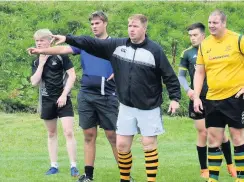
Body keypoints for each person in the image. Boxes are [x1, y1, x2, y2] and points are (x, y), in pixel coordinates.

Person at [29, 14, 181, 182]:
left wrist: (174, 97)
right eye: (129, 25)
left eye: (135, 26)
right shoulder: (107, 45)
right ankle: (104, 177)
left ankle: (139, 178)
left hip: (131, 101)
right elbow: (77, 45)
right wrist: (52, 45)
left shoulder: (137, 48)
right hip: (108, 101)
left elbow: (167, 74)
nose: (131, 29)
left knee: (131, 141)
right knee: (106, 140)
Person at [30, 11, 126, 182]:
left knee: (113, 136)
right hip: (86, 96)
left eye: (97, 23)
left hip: (107, 96)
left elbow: (129, 62)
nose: (94, 26)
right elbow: (62, 49)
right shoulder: (86, 44)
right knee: (88, 135)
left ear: (105, 23)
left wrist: (121, 73)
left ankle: (125, 176)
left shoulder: (115, 44)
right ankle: (88, 176)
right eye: (92, 24)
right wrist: (40, 50)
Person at [193, 10, 244, 182]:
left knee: (237, 137)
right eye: (209, 22)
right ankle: (213, 178)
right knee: (213, 139)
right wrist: (197, 96)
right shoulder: (205, 44)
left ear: (224, 23)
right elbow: (199, 72)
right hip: (212, 99)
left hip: (235, 98)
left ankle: (240, 179)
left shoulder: (238, 39)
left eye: (215, 23)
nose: (211, 25)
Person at [178, 22, 236, 179]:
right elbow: (181, 76)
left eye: (195, 35)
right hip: (198, 98)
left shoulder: (214, 49)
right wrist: (188, 90)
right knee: (203, 132)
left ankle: (230, 164)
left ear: (203, 35)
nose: (192, 38)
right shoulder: (187, 53)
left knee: (220, 134)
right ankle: (204, 168)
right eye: (190, 35)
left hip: (217, 97)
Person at [30, 29, 79, 177]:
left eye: (42, 40)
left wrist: (64, 95)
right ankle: (54, 166)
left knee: (68, 132)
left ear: (50, 41)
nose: (39, 43)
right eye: (37, 41)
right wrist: (41, 64)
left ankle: (73, 166)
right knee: (51, 133)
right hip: (47, 99)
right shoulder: (36, 60)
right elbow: (34, 82)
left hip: (63, 99)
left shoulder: (61, 56)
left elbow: (72, 76)